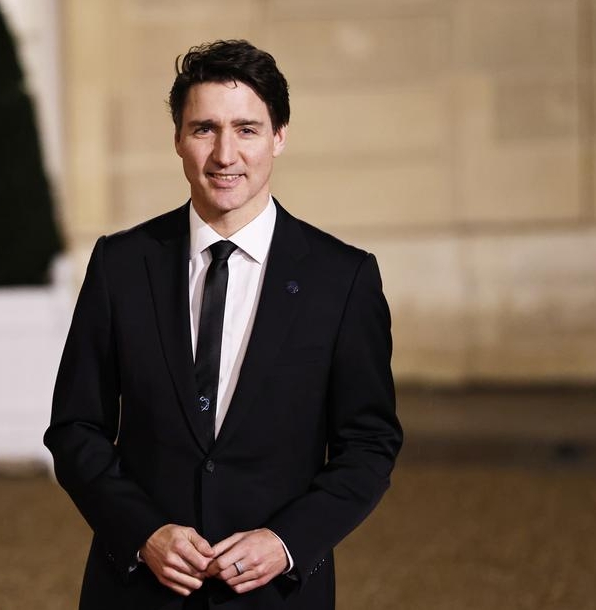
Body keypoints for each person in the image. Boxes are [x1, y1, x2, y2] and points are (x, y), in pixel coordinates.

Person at [45, 39, 402, 610]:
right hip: (140, 591)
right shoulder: (120, 265)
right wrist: (142, 533)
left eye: (247, 129)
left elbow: (370, 444)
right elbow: (75, 428)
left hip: (275, 595)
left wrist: (288, 542)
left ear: (280, 136)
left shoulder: (344, 279)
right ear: (179, 141)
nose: (224, 154)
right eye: (204, 129)